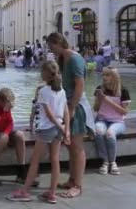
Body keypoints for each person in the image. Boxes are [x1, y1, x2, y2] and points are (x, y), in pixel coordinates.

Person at [7, 61, 70, 204]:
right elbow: (66, 111)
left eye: (42, 71)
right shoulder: (62, 90)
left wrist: (61, 128)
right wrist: (66, 129)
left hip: (47, 129)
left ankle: (24, 191)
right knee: (55, 160)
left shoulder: (43, 91)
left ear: (45, 74)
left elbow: (48, 114)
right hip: (59, 129)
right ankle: (52, 193)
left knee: (35, 161)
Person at [46, 32, 94, 199]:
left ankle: (78, 186)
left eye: (51, 46)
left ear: (58, 42)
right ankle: (72, 179)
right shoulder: (62, 59)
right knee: (70, 145)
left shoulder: (74, 59)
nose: (50, 50)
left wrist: (72, 107)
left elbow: (80, 85)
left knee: (77, 147)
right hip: (67, 105)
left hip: (77, 106)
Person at [93, 67, 130, 175]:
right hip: (101, 119)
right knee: (99, 132)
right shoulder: (99, 89)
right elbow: (95, 109)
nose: (104, 77)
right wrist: (99, 100)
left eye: (107, 75)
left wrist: (107, 100)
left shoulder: (123, 91)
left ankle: (113, 162)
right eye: (103, 75)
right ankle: (105, 161)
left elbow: (124, 112)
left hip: (117, 121)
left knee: (110, 133)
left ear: (114, 77)